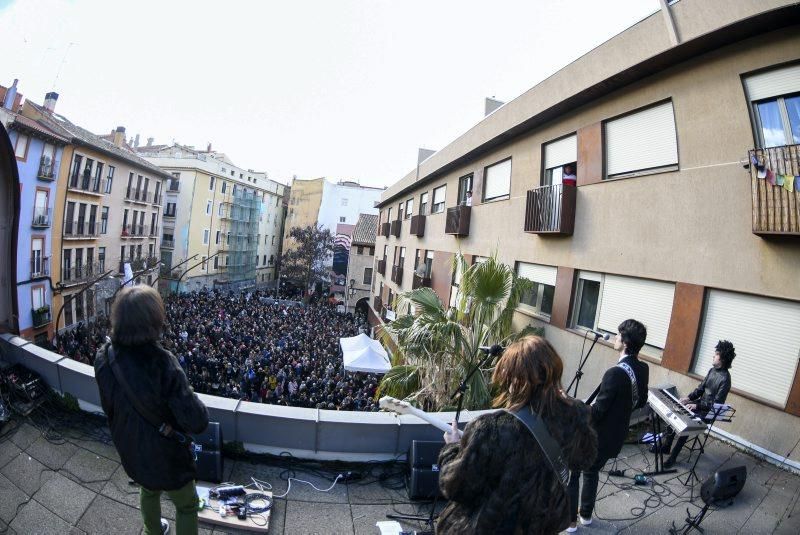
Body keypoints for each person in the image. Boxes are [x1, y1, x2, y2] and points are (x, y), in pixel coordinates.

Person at [436, 336, 598, 534]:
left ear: (514, 379)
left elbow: (455, 487)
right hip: (541, 523)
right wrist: (573, 406)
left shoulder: (490, 428)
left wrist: (451, 448)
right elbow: (585, 459)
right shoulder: (574, 415)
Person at [95, 286, 209, 535]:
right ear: (154, 321)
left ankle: (152, 531)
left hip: (131, 449)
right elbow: (198, 421)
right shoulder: (163, 363)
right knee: (187, 506)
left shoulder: (104, 357)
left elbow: (109, 407)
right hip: (167, 457)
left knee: (147, 489)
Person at [567, 319, 649, 532]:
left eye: (618, 335)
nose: (615, 338)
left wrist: (573, 404)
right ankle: (585, 515)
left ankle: (570, 522)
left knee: (573, 471)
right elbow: (640, 401)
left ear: (625, 342)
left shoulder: (615, 373)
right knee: (592, 471)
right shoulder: (643, 369)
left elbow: (597, 412)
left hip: (598, 438)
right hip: (616, 438)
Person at [663, 340, 735, 468]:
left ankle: (673, 458)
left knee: (686, 424)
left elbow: (716, 403)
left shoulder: (725, 379)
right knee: (675, 410)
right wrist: (688, 398)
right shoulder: (712, 370)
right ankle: (666, 446)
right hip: (699, 405)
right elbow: (700, 389)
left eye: (716, 354)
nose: (713, 355)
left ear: (723, 358)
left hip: (708, 413)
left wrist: (696, 406)